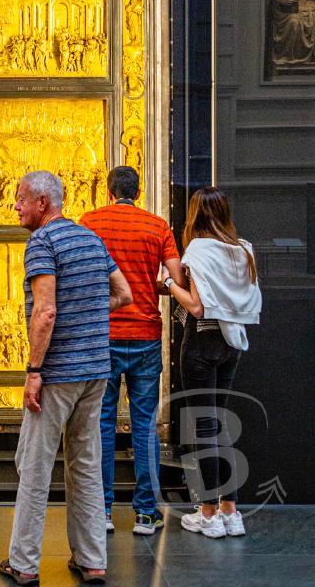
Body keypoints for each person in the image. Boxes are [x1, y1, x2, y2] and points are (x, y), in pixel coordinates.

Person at [0, 171, 132, 587]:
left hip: (57, 373)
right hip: (96, 371)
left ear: (43, 203)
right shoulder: (91, 239)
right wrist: (88, 311)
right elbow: (124, 294)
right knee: (87, 466)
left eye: (20, 199)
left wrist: (34, 371)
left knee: (35, 467)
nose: (16, 206)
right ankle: (92, 560)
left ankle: (23, 563)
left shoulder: (43, 242)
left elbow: (45, 312)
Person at [81, 166, 184, 535]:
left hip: (103, 335)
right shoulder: (157, 227)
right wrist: (151, 284)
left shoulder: (89, 222)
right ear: (138, 193)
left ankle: (103, 510)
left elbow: (83, 272)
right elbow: (177, 278)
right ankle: (145, 513)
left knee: (102, 424)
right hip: (145, 335)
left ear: (109, 192)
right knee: (144, 426)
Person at [164, 187, 262, 539]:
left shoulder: (198, 250)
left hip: (201, 344)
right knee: (219, 424)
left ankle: (207, 514)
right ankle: (230, 511)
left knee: (203, 429)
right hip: (231, 345)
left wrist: (167, 283)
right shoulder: (243, 249)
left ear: (195, 216)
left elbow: (196, 306)